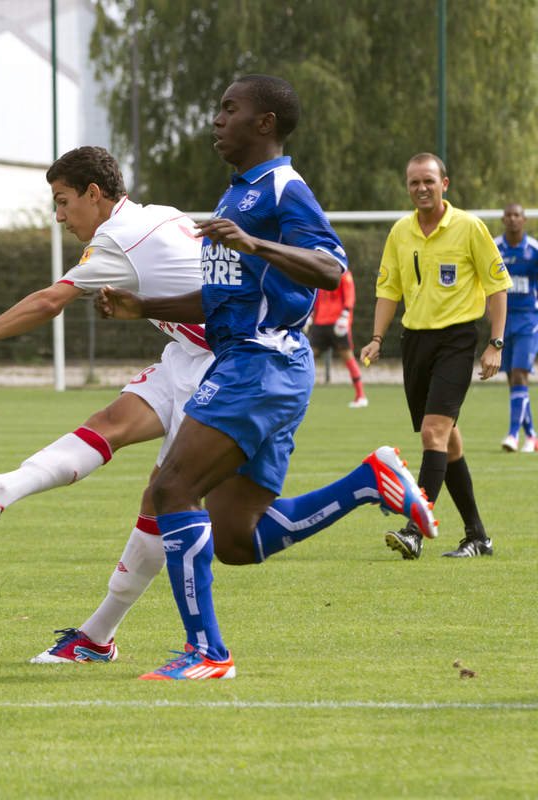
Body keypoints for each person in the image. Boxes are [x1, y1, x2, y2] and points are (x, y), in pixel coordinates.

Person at [95, 74, 436, 680]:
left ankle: (207, 653)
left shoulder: (282, 186)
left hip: (263, 363)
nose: (216, 120)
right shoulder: (235, 196)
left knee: (171, 488)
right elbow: (224, 298)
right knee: (235, 539)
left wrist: (253, 242)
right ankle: (367, 481)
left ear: (266, 123)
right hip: (251, 364)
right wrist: (143, 308)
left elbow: (329, 267)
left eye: (230, 108)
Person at [0, 145, 210, 663]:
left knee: (168, 502)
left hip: (225, 367)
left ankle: (100, 637)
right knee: (110, 423)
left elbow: (47, 301)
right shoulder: (158, 215)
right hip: (189, 356)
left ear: (94, 194)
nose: (58, 216)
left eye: (62, 201)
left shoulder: (118, 238)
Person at [360, 155, 511, 559]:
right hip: (416, 342)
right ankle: (477, 535)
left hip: (458, 340)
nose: (421, 188)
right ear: (407, 186)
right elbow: (389, 290)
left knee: (432, 433)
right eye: (414, 182)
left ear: (444, 183)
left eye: (429, 180)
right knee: (447, 439)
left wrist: (495, 343)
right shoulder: (400, 232)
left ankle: (414, 531)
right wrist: (376, 338)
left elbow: (498, 287)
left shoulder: (469, 227)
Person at [493, 203, 538, 452]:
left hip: (528, 320)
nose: (512, 219)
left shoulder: (534, 250)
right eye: (508, 215)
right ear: (503, 219)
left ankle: (512, 435)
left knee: (520, 374)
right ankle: (532, 435)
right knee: (513, 379)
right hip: (503, 321)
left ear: (524, 220)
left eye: (517, 215)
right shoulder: (494, 248)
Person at [308, 269, 368, 407]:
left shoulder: (344, 273)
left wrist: (345, 314)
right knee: (307, 358)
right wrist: (310, 315)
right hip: (320, 323)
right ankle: (297, 394)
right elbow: (316, 298)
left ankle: (361, 396)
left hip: (338, 323)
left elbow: (349, 295)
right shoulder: (320, 273)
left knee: (348, 357)